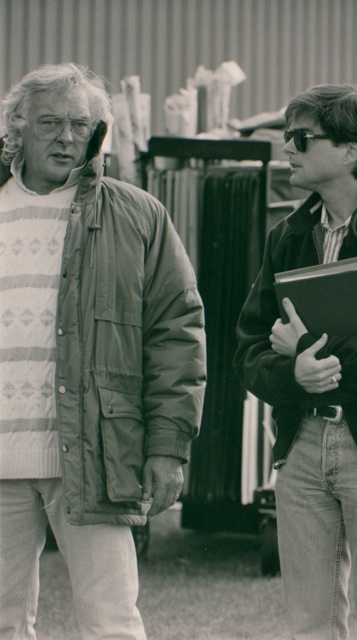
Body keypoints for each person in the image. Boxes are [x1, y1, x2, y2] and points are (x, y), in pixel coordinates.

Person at [0, 63, 206, 639]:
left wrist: (168, 447)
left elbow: (177, 331)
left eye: (81, 125)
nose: (67, 137)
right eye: (49, 122)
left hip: (94, 451)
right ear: (18, 126)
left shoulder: (136, 214)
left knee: (110, 621)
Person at [234, 84, 357, 640]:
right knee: (308, 625)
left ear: (352, 151)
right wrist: (292, 375)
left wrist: (309, 353)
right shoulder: (287, 236)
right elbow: (248, 348)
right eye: (286, 137)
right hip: (300, 449)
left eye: (301, 137)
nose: (288, 149)